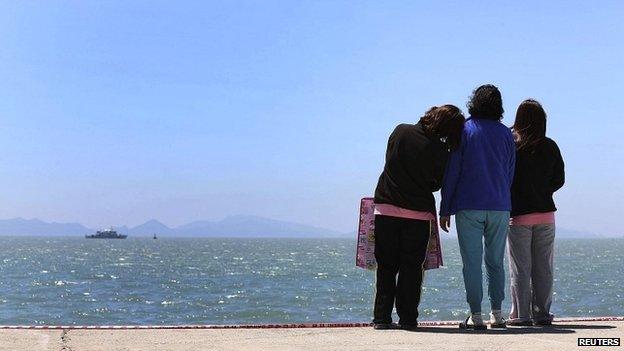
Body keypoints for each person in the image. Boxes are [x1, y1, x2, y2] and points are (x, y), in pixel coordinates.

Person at [373, 105, 465, 330]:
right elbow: (437, 183)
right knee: (412, 268)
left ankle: (382, 318)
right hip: (418, 214)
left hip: (387, 208)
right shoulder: (441, 151)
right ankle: (408, 318)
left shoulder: (400, 131)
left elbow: (389, 160)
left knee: (386, 266)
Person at [439, 84, 515, 330]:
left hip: (469, 205)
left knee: (471, 262)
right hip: (499, 205)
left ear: (474, 102)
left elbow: (453, 172)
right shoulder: (506, 134)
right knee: (495, 262)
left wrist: (445, 207)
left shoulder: (465, 130)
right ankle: (497, 313)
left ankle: (476, 315)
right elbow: (509, 172)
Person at [507, 99, 565, 326]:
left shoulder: (513, 146)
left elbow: (506, 177)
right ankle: (542, 314)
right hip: (546, 215)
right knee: (543, 268)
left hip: (519, 216)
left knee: (521, 268)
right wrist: (544, 190)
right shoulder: (550, 146)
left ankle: (520, 315)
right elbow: (559, 179)